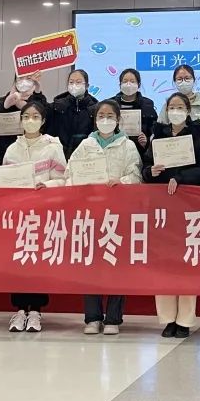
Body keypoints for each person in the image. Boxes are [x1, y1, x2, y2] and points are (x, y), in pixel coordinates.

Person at [65, 100, 142, 335]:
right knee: (91, 264)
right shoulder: (85, 145)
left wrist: (122, 182)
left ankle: (113, 318)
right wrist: (78, 185)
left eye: (110, 116)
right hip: (90, 213)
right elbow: (70, 173)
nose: (105, 120)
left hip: (118, 213)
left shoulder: (127, 146)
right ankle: (93, 317)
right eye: (101, 115)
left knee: (117, 265)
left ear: (118, 120)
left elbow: (136, 176)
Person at [143, 92, 200, 338]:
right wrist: (151, 171)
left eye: (180, 107)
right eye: (171, 107)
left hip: (190, 208)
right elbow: (146, 168)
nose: (175, 111)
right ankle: (167, 319)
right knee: (164, 264)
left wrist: (181, 178)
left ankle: (184, 320)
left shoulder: (198, 136)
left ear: (188, 111)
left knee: (186, 263)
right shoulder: (159, 135)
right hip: (163, 209)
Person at [1, 100, 67, 332]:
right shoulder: (12, 148)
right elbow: (4, 180)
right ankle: (20, 310)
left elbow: (63, 179)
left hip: (43, 212)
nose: (30, 120)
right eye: (26, 116)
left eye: (35, 116)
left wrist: (47, 185)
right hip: (18, 213)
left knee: (38, 261)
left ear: (43, 120)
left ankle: (36, 311)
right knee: (18, 260)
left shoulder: (52, 147)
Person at [0, 71, 47, 163]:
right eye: (20, 78)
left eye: (28, 78)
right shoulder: (1, 102)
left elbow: (46, 126)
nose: (24, 82)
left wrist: (38, 93)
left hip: (31, 155)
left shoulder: (39, 103)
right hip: (3, 154)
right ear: (15, 80)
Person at [158, 64, 200, 148]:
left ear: (194, 80)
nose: (183, 82)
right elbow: (159, 130)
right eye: (179, 79)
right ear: (174, 82)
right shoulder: (168, 105)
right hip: (174, 149)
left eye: (187, 78)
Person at [49, 68, 96, 157]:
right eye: (71, 82)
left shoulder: (94, 108)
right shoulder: (57, 106)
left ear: (87, 86)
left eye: (78, 82)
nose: (74, 85)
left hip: (86, 156)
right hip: (60, 155)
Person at [113, 68, 157, 155]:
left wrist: (147, 141)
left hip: (141, 152)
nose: (128, 84)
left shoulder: (147, 104)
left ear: (139, 85)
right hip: (115, 150)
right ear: (120, 85)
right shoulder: (111, 104)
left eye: (132, 81)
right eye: (125, 81)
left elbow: (154, 130)